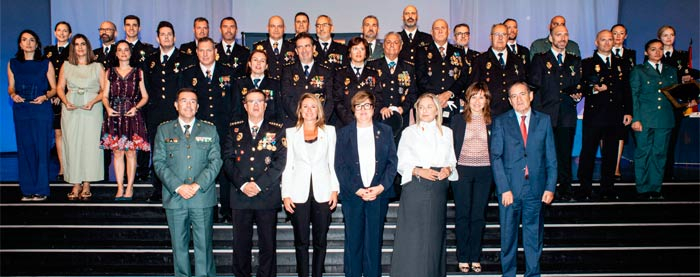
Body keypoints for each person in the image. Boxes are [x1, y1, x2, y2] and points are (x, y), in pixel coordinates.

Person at [153, 88, 222, 277]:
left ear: (198, 106)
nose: (188, 105)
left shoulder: (210, 129)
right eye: (184, 101)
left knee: (204, 247)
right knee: (179, 247)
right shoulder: (164, 129)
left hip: (201, 197)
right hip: (175, 198)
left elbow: (216, 161)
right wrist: (178, 186)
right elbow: (159, 163)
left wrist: (196, 185)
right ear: (176, 105)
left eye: (193, 101)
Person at [490, 82, 557, 277]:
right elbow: (496, 157)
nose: (519, 99)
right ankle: (508, 275)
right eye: (514, 96)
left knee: (533, 237)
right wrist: (504, 188)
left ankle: (532, 274)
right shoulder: (501, 121)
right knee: (508, 237)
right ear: (509, 101)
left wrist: (550, 187)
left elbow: (551, 157)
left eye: (522, 94)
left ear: (531, 96)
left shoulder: (544, 120)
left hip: (535, 189)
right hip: (510, 190)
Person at [391, 93, 457, 277]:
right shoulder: (408, 132)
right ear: (417, 110)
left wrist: (447, 169)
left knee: (434, 237)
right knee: (412, 235)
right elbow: (400, 162)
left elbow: (451, 160)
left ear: (437, 109)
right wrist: (419, 171)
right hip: (416, 186)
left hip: (437, 188)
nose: (425, 110)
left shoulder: (447, 132)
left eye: (429, 106)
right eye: (421, 107)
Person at [223, 89, 287, 277]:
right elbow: (227, 159)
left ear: (266, 105)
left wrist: (258, 185)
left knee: (268, 245)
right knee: (240, 245)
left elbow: (280, 161)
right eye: (252, 101)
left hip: (266, 194)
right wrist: (243, 185)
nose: (256, 105)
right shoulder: (234, 129)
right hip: (240, 195)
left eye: (260, 101)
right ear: (245, 105)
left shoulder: (277, 129)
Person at [335, 91, 397, 277]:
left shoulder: (385, 131)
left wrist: (380, 188)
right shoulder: (343, 133)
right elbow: (340, 165)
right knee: (353, 243)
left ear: (373, 109)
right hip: (353, 195)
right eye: (359, 106)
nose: (363, 110)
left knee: (373, 243)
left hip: (378, 195)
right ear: (353, 110)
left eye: (367, 106)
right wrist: (357, 190)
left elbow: (392, 163)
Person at [281, 93, 339, 277]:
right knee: (301, 242)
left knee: (320, 241)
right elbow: (287, 166)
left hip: (323, 192)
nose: (309, 110)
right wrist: (286, 194)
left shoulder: (329, 131)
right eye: (305, 106)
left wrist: (334, 190)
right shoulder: (290, 133)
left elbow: (333, 163)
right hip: (298, 193)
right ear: (300, 110)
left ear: (319, 110)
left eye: (313, 106)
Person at [181, 36, 234, 223]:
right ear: (196, 53)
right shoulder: (188, 74)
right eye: (201, 50)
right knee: (204, 170)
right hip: (199, 131)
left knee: (225, 169)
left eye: (209, 50)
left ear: (216, 52)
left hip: (223, 128)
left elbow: (234, 102)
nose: (205, 54)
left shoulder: (228, 72)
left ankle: (227, 210)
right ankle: (208, 210)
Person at [576, 30, 632, 201]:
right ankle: (584, 188)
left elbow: (626, 90)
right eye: (603, 40)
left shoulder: (621, 63)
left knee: (610, 153)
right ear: (596, 42)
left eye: (610, 39)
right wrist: (593, 89)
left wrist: (629, 111)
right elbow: (581, 87)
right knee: (588, 152)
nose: (607, 43)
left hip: (615, 115)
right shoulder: (587, 63)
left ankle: (607, 187)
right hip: (594, 114)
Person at [528, 25, 581, 201]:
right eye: (558, 35)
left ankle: (565, 188)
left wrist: (579, 93)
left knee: (564, 154)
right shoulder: (540, 59)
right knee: (543, 154)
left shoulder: (574, 60)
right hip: (545, 114)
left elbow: (578, 84)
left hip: (566, 114)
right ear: (551, 38)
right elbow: (534, 86)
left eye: (566, 35)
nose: (562, 38)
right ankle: (541, 188)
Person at [7, 30, 57, 201]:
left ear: (37, 44)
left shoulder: (45, 63)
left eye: (32, 40)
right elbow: (11, 87)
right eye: (24, 40)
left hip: (41, 109)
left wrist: (46, 96)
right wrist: (13, 95)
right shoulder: (13, 63)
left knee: (41, 149)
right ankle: (27, 190)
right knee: (25, 148)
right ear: (20, 44)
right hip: (21, 109)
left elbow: (54, 89)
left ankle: (41, 189)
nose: (28, 43)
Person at [449, 82, 492, 273]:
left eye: (481, 97)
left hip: (485, 172)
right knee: (462, 214)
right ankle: (463, 256)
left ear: (486, 100)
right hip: (462, 171)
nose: (477, 101)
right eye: (473, 96)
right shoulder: (457, 120)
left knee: (478, 216)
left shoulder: (493, 121)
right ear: (467, 99)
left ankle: (475, 256)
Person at [100, 40, 150, 201]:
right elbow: (105, 95)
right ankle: (119, 186)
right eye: (119, 50)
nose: (123, 52)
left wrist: (136, 107)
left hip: (131, 116)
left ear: (130, 52)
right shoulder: (109, 72)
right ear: (115, 53)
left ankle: (130, 187)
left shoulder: (138, 72)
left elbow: (145, 96)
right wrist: (107, 108)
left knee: (130, 153)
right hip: (114, 116)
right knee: (117, 152)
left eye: (126, 50)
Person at [56, 34, 105, 201]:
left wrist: (93, 101)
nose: (80, 47)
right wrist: (65, 101)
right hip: (71, 107)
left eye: (83, 44)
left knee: (90, 145)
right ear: (73, 48)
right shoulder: (66, 65)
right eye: (76, 44)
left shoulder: (98, 66)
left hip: (92, 108)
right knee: (72, 144)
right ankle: (75, 183)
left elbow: (105, 90)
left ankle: (86, 183)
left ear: (88, 46)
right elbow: (59, 88)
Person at [630, 39, 677, 200]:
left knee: (659, 153)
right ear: (646, 52)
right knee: (643, 152)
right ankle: (642, 188)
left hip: (664, 119)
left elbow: (675, 96)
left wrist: (687, 100)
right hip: (644, 118)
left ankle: (655, 188)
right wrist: (635, 119)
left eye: (660, 49)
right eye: (653, 49)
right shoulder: (639, 70)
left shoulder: (670, 71)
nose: (657, 52)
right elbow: (634, 95)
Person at [143, 21, 183, 203]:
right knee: (158, 153)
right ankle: (157, 189)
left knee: (177, 152)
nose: (166, 37)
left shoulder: (184, 59)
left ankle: (178, 186)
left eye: (169, 34)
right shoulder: (150, 60)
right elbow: (146, 87)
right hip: (155, 114)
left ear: (174, 37)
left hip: (177, 114)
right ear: (157, 38)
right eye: (163, 34)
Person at [453, 24, 526, 117]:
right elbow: (472, 87)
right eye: (497, 34)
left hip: (513, 114)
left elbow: (523, 86)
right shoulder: (480, 60)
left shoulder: (517, 60)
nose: (500, 38)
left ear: (508, 37)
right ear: (490, 37)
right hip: (489, 114)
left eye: (503, 34)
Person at [656, 25, 694, 181]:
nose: (668, 38)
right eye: (665, 35)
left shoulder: (682, 56)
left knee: (672, 140)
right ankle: (656, 171)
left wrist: (689, 97)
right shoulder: (655, 55)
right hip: (659, 105)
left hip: (676, 105)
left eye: (671, 35)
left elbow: (686, 81)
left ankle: (668, 172)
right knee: (659, 140)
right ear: (660, 38)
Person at [415, 19, 465, 125]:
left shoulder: (459, 52)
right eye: (437, 28)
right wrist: (436, 97)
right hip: (429, 104)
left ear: (449, 31)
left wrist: (448, 93)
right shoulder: (422, 51)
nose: (440, 31)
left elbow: (463, 77)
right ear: (431, 32)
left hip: (452, 103)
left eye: (443, 28)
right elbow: (420, 77)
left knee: (452, 138)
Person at [368, 32, 418, 136]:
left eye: (395, 42)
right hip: (378, 116)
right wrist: (380, 107)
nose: (392, 45)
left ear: (401, 46)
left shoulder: (409, 68)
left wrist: (403, 108)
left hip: (400, 119)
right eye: (388, 42)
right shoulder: (372, 66)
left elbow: (413, 93)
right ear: (383, 45)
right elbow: (368, 92)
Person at [281, 32, 334, 126]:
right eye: (300, 47)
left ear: (314, 48)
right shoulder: (288, 70)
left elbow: (329, 100)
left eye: (307, 46)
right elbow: (286, 99)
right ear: (296, 51)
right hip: (295, 123)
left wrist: (319, 120)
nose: (304, 50)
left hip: (320, 124)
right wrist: (301, 119)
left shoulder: (325, 71)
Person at [44, 21, 72, 182]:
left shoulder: (73, 50)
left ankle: (73, 166)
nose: (62, 33)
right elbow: (45, 74)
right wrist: (51, 93)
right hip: (52, 98)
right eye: (59, 30)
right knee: (58, 133)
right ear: (55, 32)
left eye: (65, 31)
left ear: (69, 34)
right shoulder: (48, 51)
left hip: (69, 98)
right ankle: (62, 167)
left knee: (70, 134)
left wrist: (63, 95)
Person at [333, 37, 382, 127]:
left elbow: (378, 99)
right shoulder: (340, 73)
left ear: (366, 53)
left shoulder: (374, 73)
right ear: (349, 53)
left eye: (362, 49)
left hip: (369, 123)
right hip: (345, 124)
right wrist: (350, 121)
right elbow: (337, 101)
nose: (358, 52)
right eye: (355, 48)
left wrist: (368, 118)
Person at [611, 24, 636, 179]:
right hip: (606, 101)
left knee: (620, 134)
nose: (618, 36)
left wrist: (629, 108)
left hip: (622, 100)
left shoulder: (630, 55)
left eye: (621, 33)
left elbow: (630, 82)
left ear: (626, 36)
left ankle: (616, 166)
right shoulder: (601, 54)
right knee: (604, 135)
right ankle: (608, 164)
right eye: (615, 33)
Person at [232, 49, 282, 123]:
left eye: (262, 61)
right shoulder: (239, 83)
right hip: (245, 128)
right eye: (255, 60)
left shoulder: (275, 84)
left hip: (269, 128)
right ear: (249, 64)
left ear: (266, 66)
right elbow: (236, 110)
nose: (258, 63)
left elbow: (279, 111)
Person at [253, 15, 295, 80]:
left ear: (284, 29)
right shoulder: (259, 47)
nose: (276, 29)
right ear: (268, 28)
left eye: (279, 26)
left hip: (287, 86)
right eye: (273, 26)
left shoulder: (292, 47)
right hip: (266, 87)